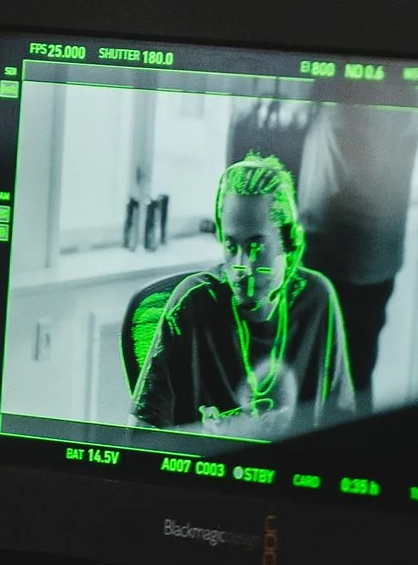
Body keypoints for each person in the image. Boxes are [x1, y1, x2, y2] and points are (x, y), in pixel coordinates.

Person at [129, 151, 356, 438]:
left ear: (289, 241)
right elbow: (139, 435)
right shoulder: (193, 303)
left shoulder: (316, 299)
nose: (242, 266)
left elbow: (342, 427)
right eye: (231, 245)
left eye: (256, 247)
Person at [298, 102, 418, 407]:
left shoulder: (352, 91)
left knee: (325, 391)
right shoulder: (406, 92)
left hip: (339, 257)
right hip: (377, 258)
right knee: (356, 382)